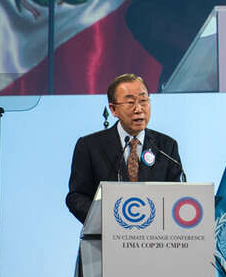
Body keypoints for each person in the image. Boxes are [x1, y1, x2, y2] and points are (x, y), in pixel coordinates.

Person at [65, 73, 183, 223]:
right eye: (130, 102)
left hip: (154, 241)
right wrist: (107, 220)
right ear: (113, 110)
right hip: (103, 240)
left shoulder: (166, 146)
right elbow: (76, 196)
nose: (139, 109)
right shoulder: (89, 146)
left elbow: (176, 196)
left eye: (143, 100)